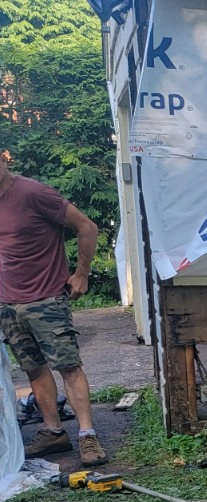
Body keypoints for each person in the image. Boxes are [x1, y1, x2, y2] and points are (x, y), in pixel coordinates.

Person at [0, 148, 107, 466]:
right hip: (8, 304)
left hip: (46, 299)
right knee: (33, 369)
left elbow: (87, 227)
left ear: (3, 159)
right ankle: (53, 431)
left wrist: (82, 274)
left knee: (69, 367)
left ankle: (88, 436)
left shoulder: (34, 193)